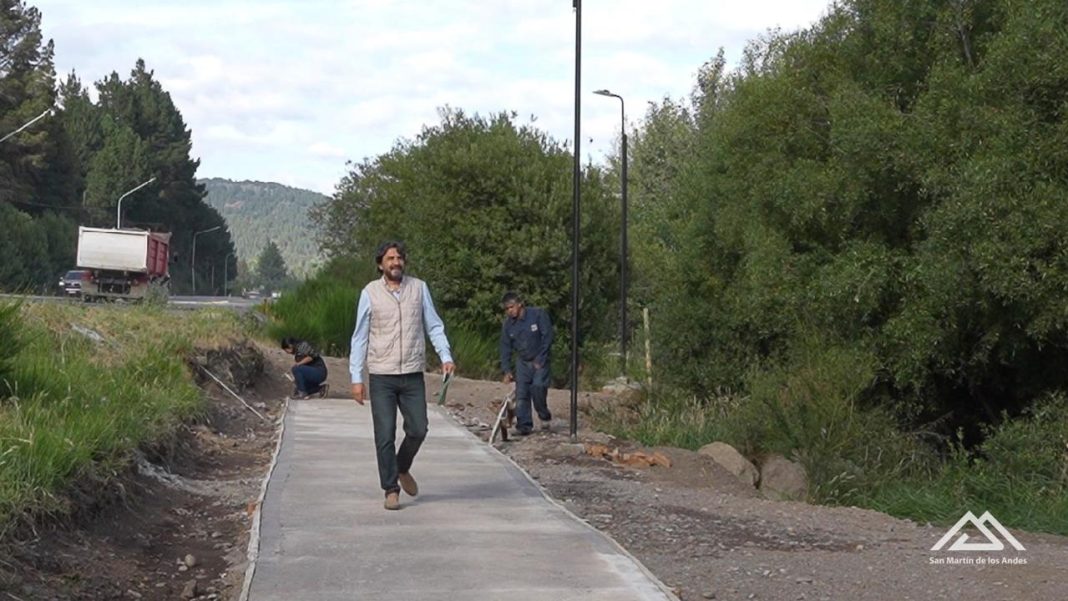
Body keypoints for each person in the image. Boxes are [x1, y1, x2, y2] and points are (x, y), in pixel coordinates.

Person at [349, 241, 455, 510]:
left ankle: (402, 466)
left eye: (399, 258)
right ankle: (390, 489)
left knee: (419, 429)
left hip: (411, 372)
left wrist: (445, 356)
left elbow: (433, 325)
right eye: (390, 258)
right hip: (382, 375)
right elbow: (360, 337)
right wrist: (356, 377)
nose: (395, 262)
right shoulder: (369, 293)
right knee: (384, 434)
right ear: (380, 264)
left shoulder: (418, 288)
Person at [498, 291, 553, 435]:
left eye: (512, 307)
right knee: (522, 394)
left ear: (519, 304)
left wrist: (541, 359)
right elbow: (505, 348)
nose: (510, 311)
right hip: (523, 362)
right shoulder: (508, 325)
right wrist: (506, 370)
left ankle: (544, 415)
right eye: (507, 309)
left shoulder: (538, 315)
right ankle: (524, 425)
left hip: (539, 359)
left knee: (538, 387)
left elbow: (547, 337)